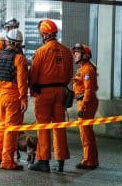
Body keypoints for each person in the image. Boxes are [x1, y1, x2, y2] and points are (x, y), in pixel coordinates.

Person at [28, 19, 73, 172]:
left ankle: (43, 161)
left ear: (45, 34)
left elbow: (33, 75)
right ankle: (60, 161)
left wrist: (32, 90)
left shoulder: (41, 52)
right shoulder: (67, 51)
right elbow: (69, 75)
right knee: (59, 127)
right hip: (61, 92)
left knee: (43, 127)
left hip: (44, 93)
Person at [0, 29, 28, 170]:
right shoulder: (19, 59)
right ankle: (8, 161)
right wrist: (24, 99)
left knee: (2, 125)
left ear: (6, 41)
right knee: (11, 129)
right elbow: (22, 81)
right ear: (19, 44)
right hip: (12, 97)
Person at [0, 18, 20, 125]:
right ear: (6, 28)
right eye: (11, 27)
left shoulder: (17, 44)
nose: (13, 29)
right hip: (1, 82)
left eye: (15, 27)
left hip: (13, 83)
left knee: (9, 115)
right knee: (5, 116)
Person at [71, 43, 99, 170]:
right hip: (83, 102)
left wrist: (83, 107)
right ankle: (92, 159)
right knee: (87, 133)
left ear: (85, 55)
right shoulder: (83, 69)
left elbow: (89, 90)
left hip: (86, 103)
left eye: (77, 53)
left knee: (86, 134)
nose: (75, 55)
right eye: (75, 53)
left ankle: (89, 161)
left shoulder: (87, 70)